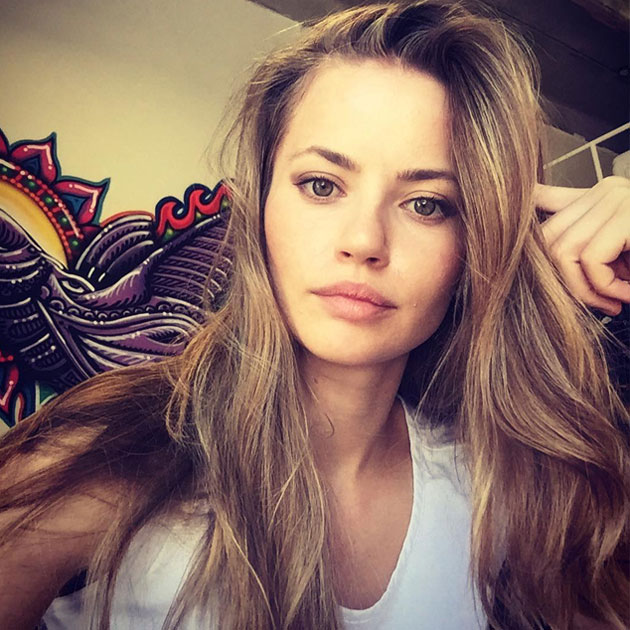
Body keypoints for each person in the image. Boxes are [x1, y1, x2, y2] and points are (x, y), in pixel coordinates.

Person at [1, 1, 629, 629]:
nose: (364, 241)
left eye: (428, 204)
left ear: (479, 241)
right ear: (261, 201)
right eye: (322, 186)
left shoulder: (499, 486)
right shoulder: (108, 454)